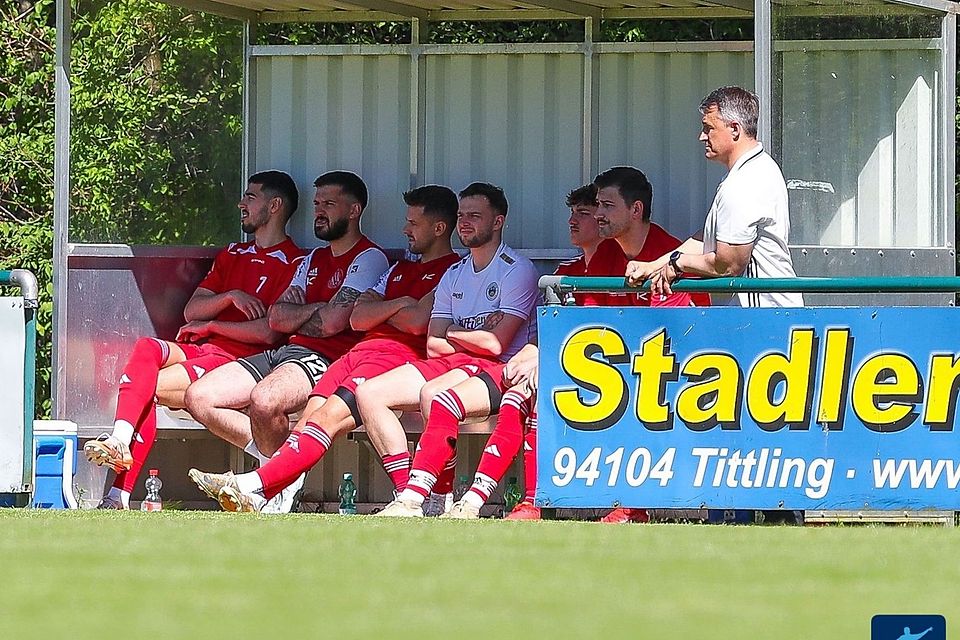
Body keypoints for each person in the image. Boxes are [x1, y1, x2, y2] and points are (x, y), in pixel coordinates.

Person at [186, 185, 462, 512]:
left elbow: (414, 323)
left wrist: (383, 308)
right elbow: (357, 318)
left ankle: (404, 498)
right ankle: (265, 488)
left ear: (439, 228)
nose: (404, 230)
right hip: (355, 353)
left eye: (413, 224)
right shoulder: (397, 268)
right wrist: (400, 303)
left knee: (324, 417)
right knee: (312, 420)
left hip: (392, 359)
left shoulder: (451, 270)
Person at [446, 171, 703, 520]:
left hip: (670, 372)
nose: (598, 214)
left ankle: (632, 506)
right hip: (606, 365)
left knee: (637, 390)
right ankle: (528, 503)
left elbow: (669, 338)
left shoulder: (666, 255)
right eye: (597, 205)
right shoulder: (607, 254)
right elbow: (582, 324)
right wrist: (543, 354)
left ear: (636, 209)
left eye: (607, 206)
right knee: (523, 390)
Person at [83, 170, 304, 509]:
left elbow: (268, 332)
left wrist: (212, 326)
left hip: (239, 362)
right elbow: (192, 311)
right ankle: (119, 444)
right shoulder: (233, 254)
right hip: (203, 349)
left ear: (274, 206)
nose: (241, 203)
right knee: (146, 348)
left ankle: (118, 494)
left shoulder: (296, 262)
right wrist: (229, 296)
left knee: (149, 388)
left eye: (250, 197)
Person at [356, 182, 540, 517]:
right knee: (368, 393)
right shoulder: (454, 273)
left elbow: (497, 343)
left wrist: (455, 331)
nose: (465, 223)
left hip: (499, 366)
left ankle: (426, 496)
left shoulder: (517, 269)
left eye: (475, 216)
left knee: (436, 397)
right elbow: (433, 342)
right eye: (461, 215)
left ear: (497, 222)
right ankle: (414, 493)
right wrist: (472, 331)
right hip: (456, 360)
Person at [624, 85, 802, 308]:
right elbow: (707, 238)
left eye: (708, 128)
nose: (702, 137)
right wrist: (653, 266)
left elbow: (728, 265)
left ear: (735, 129)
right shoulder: (758, 167)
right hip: (769, 316)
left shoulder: (743, 183)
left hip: (763, 318)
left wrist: (678, 265)